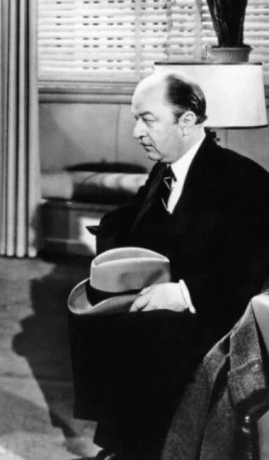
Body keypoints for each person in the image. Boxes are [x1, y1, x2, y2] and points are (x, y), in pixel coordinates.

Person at [84, 71, 269, 460]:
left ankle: (139, 450)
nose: (136, 132)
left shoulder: (242, 179)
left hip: (219, 310)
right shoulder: (164, 170)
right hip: (167, 293)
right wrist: (114, 260)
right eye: (136, 119)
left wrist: (183, 294)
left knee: (146, 333)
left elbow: (249, 272)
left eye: (147, 120)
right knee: (95, 312)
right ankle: (123, 445)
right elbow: (127, 216)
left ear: (186, 121)